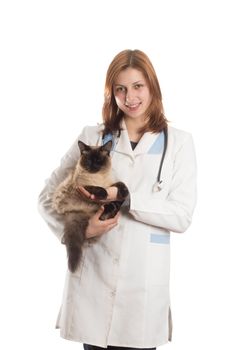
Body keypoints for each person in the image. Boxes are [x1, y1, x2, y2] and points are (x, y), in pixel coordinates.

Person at [38, 49, 197, 350]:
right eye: (120, 89)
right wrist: (79, 232)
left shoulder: (178, 144)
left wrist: (125, 198)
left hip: (144, 288)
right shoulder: (93, 136)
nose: (130, 97)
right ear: (111, 93)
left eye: (138, 86)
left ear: (153, 86)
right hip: (93, 286)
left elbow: (181, 215)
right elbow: (46, 197)